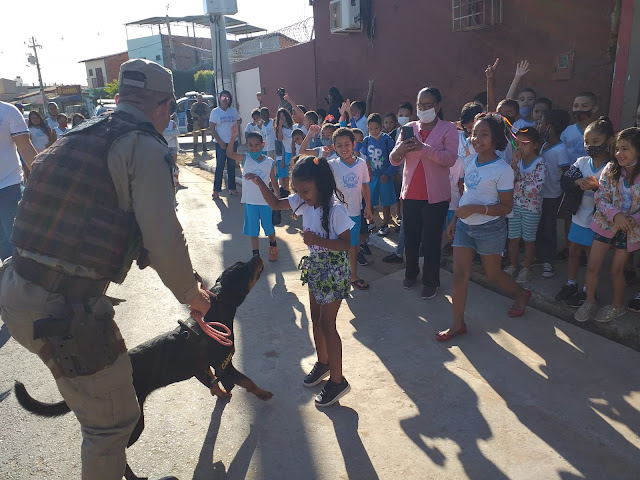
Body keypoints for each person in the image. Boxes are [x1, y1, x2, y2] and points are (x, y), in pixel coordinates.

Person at [0, 58, 211, 480]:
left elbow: (96, 218)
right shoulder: (144, 145)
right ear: (164, 105)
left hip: (16, 286)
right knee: (113, 420)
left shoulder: (78, 135)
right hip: (61, 308)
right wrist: (192, 293)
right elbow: (162, 234)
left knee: (99, 405)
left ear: (119, 99)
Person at [245, 155, 354, 407]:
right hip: (316, 266)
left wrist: (318, 240)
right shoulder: (304, 201)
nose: (301, 196)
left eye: (305, 191)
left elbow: (346, 244)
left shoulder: (335, 208)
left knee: (328, 324)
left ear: (320, 184)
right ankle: (324, 363)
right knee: (315, 319)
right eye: (298, 191)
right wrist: (261, 182)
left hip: (334, 269)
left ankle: (338, 381)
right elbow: (274, 204)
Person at [440, 113, 531, 341]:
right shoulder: (469, 160)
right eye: (474, 134)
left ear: (496, 139)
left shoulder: (502, 170)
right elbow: (466, 195)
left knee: (493, 274)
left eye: (484, 135)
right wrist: (455, 220)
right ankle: (457, 324)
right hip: (464, 227)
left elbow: (506, 207)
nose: (476, 139)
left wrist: (477, 210)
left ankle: (521, 294)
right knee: (459, 275)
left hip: (490, 229)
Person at [390, 87, 458, 300]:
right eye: (420, 106)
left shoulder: (448, 129)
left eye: (428, 106)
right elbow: (394, 159)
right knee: (410, 239)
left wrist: (423, 148)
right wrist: (400, 150)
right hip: (410, 194)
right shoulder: (408, 128)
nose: (424, 109)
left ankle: (431, 281)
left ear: (438, 106)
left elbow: (450, 159)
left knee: (430, 241)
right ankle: (411, 273)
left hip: (435, 196)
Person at [575, 127, 640, 322]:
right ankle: (590, 301)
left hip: (630, 229)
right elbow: (601, 197)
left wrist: (632, 220)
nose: (619, 154)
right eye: (617, 149)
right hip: (606, 224)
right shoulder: (611, 170)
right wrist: (615, 215)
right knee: (593, 266)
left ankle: (617, 306)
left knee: (617, 270)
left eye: (625, 149)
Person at [555, 116, 614, 307]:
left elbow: (616, 195)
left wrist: (598, 188)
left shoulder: (612, 168)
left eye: (596, 142)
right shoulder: (581, 162)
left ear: (609, 141)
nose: (590, 146)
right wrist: (577, 182)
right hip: (579, 216)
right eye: (587, 142)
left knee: (592, 258)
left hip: (598, 221)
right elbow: (564, 181)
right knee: (573, 251)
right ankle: (571, 283)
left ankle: (589, 290)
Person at [327, 127, 373, 290]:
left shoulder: (361, 164)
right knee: (337, 246)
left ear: (354, 144)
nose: (343, 148)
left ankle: (353, 275)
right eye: (339, 145)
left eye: (347, 144)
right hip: (336, 214)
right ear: (334, 147)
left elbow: (365, 186)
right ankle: (337, 275)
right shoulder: (331, 164)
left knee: (353, 246)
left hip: (354, 213)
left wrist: (368, 205)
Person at [227, 126, 280, 261]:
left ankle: (273, 247)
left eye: (257, 145)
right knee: (253, 231)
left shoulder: (269, 162)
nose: (254, 148)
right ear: (247, 145)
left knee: (269, 229)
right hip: (250, 203)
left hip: (266, 203)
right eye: (250, 145)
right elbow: (230, 154)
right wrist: (233, 137)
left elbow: (274, 183)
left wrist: (278, 200)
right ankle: (256, 256)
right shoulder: (246, 159)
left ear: (263, 145)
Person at [504, 128, 546, 284]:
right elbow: (509, 180)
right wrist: (514, 164)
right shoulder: (518, 162)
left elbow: (536, 189)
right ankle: (513, 265)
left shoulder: (540, 164)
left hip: (532, 209)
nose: (519, 148)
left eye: (524, 144)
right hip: (515, 206)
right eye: (517, 144)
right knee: (513, 238)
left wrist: (517, 185)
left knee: (528, 240)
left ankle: (526, 268)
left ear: (535, 145)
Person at [442, 102, 484, 255]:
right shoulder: (463, 139)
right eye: (467, 128)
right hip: (466, 184)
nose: (470, 131)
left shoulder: (489, 143)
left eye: (472, 128)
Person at [0, 101, 37, 260]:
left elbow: (26, 148)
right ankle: (10, 280)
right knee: (2, 242)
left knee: (15, 239)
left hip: (9, 184)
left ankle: (21, 281)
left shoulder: (7, 111)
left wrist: (41, 178)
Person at [536, 109, 571, 278]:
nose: (538, 125)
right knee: (540, 226)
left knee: (549, 226)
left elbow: (566, 172)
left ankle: (548, 261)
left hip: (553, 195)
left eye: (541, 122)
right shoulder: (543, 145)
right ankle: (540, 256)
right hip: (540, 194)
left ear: (550, 126)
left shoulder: (561, 149)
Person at [363, 113, 396, 235]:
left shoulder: (387, 140)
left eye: (376, 128)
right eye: (371, 129)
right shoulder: (366, 141)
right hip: (371, 176)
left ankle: (385, 224)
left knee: (386, 202)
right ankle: (370, 222)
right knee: (369, 200)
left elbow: (394, 159)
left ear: (381, 127)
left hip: (385, 177)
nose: (373, 131)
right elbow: (363, 157)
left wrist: (388, 173)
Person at [209, 89, 241, 198]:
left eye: (227, 98)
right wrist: (220, 141)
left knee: (231, 165)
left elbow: (239, 120)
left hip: (233, 142)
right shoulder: (215, 112)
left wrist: (236, 125)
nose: (225, 100)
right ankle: (216, 190)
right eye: (223, 97)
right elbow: (212, 128)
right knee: (220, 166)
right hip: (221, 143)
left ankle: (232, 188)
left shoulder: (233, 111)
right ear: (219, 98)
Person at [561, 91, 599, 163]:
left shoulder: (600, 131)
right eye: (576, 106)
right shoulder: (567, 132)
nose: (579, 109)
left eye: (584, 106)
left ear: (594, 109)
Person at [275, 107, 294, 191]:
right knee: (284, 177)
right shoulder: (280, 129)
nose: (282, 117)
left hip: (294, 153)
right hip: (285, 154)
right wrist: (279, 125)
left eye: (283, 115)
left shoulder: (293, 126)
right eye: (280, 116)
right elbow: (280, 139)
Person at [163, 113, 181, 188]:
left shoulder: (173, 123)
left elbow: (177, 133)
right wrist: (171, 133)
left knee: (174, 165)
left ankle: (176, 182)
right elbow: (162, 133)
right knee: (165, 166)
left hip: (173, 146)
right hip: (164, 146)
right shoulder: (161, 123)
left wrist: (168, 133)